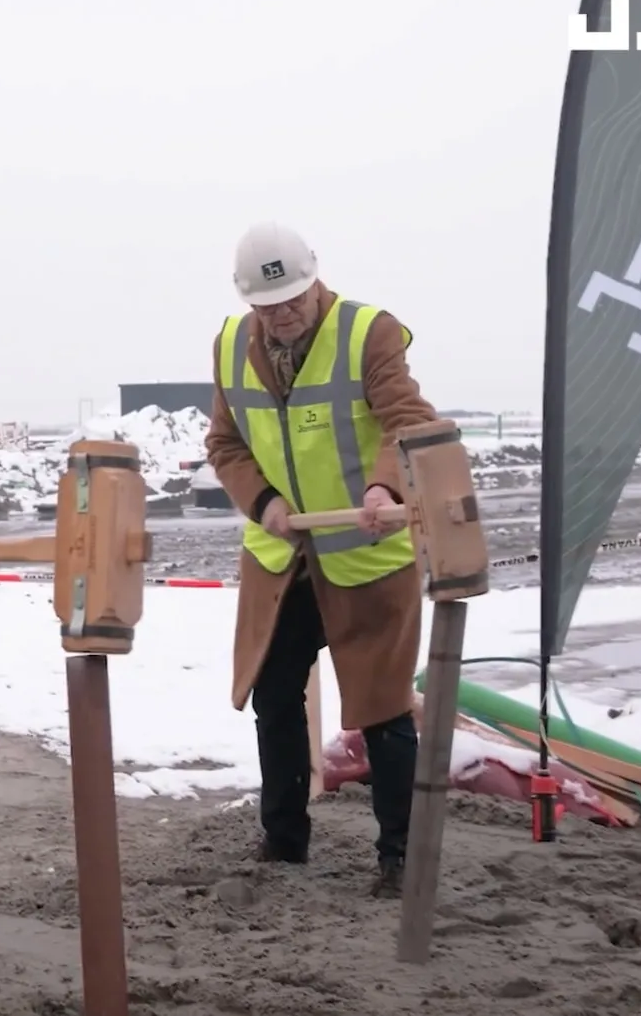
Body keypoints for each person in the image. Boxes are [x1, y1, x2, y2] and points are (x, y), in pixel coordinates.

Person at [202, 221, 437, 899]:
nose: (282, 316)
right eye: (268, 307)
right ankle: (282, 839)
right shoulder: (228, 348)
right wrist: (264, 499)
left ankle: (400, 855)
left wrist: (383, 485)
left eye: (294, 301)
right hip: (282, 555)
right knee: (274, 694)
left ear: (315, 281)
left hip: (367, 551)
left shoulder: (369, 334)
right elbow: (225, 445)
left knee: (383, 709)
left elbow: (408, 419)